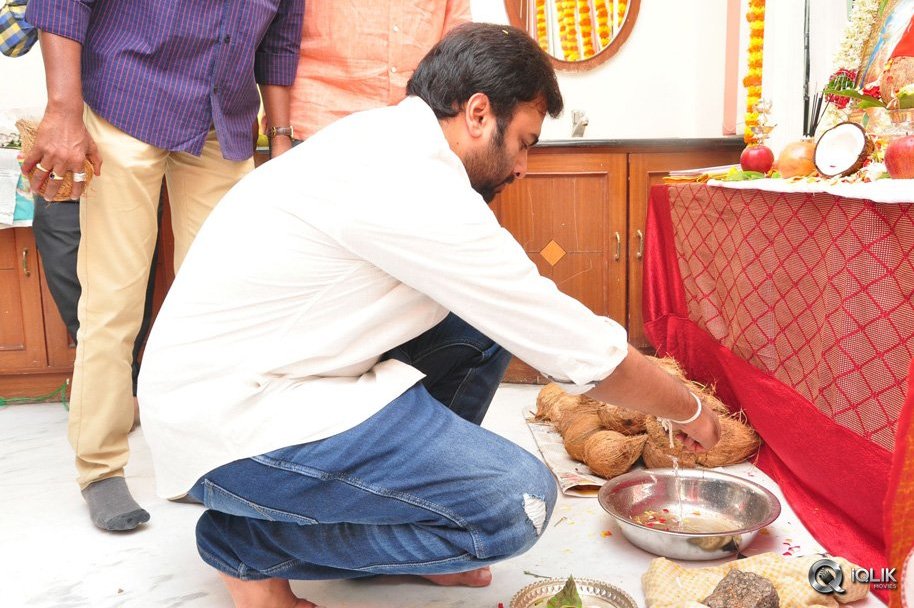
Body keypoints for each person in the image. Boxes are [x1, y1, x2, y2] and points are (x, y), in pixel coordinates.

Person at [138, 23, 721, 607]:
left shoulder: (391, 143)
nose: (522, 167)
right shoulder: (408, 179)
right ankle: (247, 543)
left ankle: (415, 525)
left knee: (479, 329)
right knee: (515, 505)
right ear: (478, 113)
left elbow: (519, 315)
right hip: (235, 425)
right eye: (524, 142)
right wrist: (688, 409)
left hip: (268, 380)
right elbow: (571, 342)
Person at [22, 0, 304, 533]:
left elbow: (280, 41)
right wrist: (63, 110)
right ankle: (100, 468)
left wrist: (282, 136)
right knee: (114, 299)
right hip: (126, 104)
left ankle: (204, 458)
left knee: (221, 308)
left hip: (223, 123)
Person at [288, 0, 471, 143]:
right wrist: (280, 135)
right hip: (320, 124)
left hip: (411, 132)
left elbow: (457, 48)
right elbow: (280, 35)